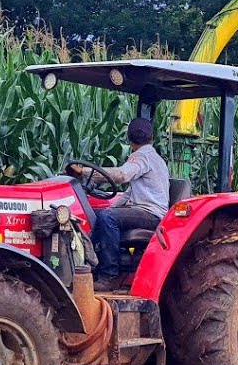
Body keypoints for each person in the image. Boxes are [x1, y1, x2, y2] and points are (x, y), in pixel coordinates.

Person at [71, 117, 169, 290]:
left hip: (151, 214)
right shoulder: (155, 158)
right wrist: (110, 208)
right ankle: (87, 266)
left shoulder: (142, 156)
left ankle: (109, 275)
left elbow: (122, 175)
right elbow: (131, 192)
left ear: (128, 138)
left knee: (107, 218)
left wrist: (84, 172)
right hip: (147, 211)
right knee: (99, 215)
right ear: (151, 136)